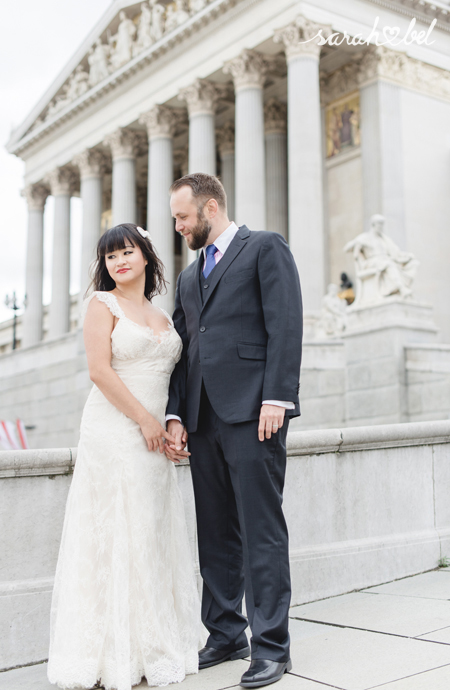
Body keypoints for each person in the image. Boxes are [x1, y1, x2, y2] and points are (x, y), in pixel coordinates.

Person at [47, 223, 203, 690]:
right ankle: (111, 654)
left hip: (156, 432)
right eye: (110, 256)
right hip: (116, 428)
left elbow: (177, 376)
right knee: (118, 530)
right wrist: (145, 420)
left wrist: (172, 423)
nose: (119, 262)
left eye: (126, 252)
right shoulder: (101, 304)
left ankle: (151, 644)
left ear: (146, 256)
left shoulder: (161, 313)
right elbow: (99, 371)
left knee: (152, 529)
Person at [165, 173, 303, 688]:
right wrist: (175, 415)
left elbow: (286, 323)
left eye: (183, 217)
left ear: (212, 207)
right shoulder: (186, 277)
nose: (177, 226)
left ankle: (272, 647)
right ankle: (225, 634)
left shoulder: (264, 247)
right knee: (215, 534)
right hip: (202, 419)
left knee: (261, 531)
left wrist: (278, 396)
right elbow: (183, 349)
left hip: (254, 411)